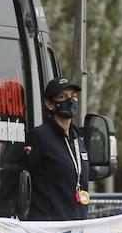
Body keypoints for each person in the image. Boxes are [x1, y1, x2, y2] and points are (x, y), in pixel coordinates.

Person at [18, 78, 91, 221]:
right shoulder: (39, 136)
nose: (70, 101)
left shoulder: (78, 137)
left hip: (77, 224)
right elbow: (21, 177)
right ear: (49, 103)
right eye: (62, 97)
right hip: (49, 227)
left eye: (73, 96)